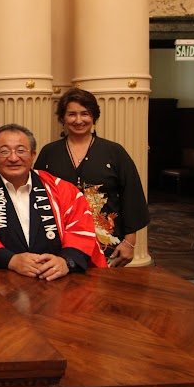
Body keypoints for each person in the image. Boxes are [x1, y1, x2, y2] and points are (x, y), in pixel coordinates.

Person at [0, 124, 107, 279]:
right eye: (4, 151)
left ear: (33, 155)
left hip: (57, 281)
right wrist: (12, 261)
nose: (13, 158)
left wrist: (65, 262)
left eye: (21, 150)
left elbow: (80, 231)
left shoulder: (63, 189)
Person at [33, 88, 149, 268]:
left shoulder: (114, 152)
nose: (78, 120)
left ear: (94, 116)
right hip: (59, 242)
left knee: (106, 292)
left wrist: (129, 242)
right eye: (72, 114)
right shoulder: (49, 153)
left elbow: (131, 196)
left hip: (107, 243)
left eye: (85, 114)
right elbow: (36, 195)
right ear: (62, 118)